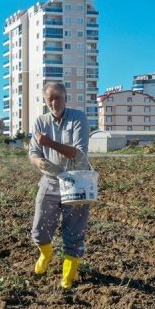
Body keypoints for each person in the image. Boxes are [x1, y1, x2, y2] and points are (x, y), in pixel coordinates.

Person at [28, 81, 90, 289]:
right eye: (49, 99)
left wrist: (49, 143)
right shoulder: (40, 121)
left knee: (73, 232)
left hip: (77, 181)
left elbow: (78, 154)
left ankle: (67, 279)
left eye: (58, 98)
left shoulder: (78, 118)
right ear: (45, 101)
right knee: (39, 228)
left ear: (65, 98)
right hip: (50, 180)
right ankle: (46, 255)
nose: (54, 102)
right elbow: (33, 152)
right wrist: (38, 161)